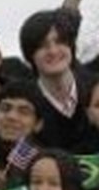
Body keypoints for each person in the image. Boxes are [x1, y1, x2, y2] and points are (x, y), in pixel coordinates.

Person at [19, 9, 95, 150]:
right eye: (42, 45)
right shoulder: (25, 104)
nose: (53, 51)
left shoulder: (97, 90)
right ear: (30, 55)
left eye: (60, 42)